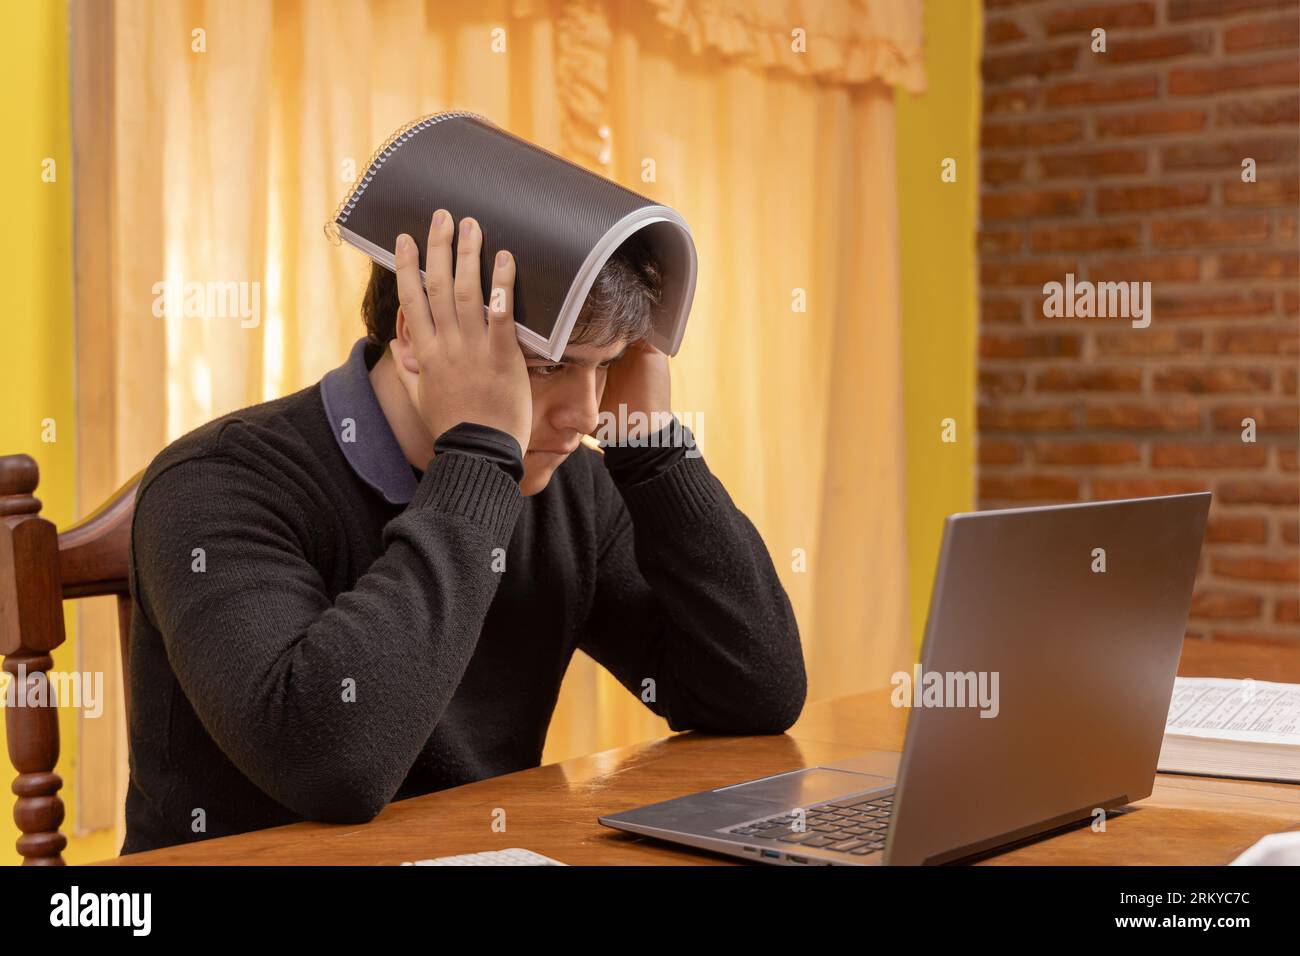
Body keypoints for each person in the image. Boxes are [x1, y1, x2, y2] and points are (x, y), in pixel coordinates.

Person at [121, 209, 806, 853]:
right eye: (549, 367)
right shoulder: (215, 484)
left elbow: (753, 693)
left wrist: (649, 448)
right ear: (417, 337)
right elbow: (332, 767)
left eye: (608, 365)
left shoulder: (566, 483)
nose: (585, 415)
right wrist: (477, 455)